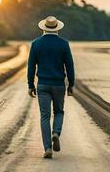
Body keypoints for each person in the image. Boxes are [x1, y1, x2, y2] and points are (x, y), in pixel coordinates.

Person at [27, 16, 75, 159]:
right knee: (59, 112)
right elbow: (70, 66)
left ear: (43, 27)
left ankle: (48, 148)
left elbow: (31, 66)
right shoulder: (64, 44)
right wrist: (71, 84)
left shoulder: (36, 44)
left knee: (44, 116)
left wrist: (30, 85)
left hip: (42, 84)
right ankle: (56, 132)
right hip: (59, 85)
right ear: (57, 28)